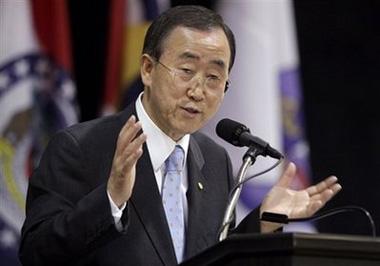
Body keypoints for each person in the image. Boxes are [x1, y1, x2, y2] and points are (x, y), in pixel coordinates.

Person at [19, 5, 341, 266]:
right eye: (186, 71)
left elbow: (211, 256)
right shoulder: (80, 148)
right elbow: (36, 253)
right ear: (147, 69)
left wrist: (265, 219)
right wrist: (111, 199)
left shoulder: (213, 160)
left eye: (214, 77)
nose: (198, 90)